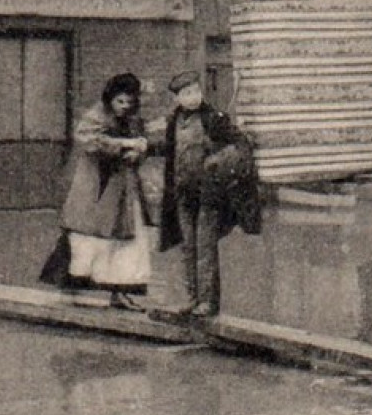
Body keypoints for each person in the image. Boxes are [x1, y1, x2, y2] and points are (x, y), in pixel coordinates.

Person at [44, 73, 155, 309]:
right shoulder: (96, 115)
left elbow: (142, 144)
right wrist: (123, 144)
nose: (124, 107)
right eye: (120, 101)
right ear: (110, 99)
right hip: (95, 190)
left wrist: (138, 152)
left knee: (127, 243)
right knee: (85, 238)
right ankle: (72, 290)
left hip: (124, 190)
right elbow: (86, 139)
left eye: (129, 102)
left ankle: (121, 293)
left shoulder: (134, 121)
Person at [157, 70, 261, 318]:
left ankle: (208, 302)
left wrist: (217, 159)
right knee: (188, 248)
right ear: (177, 98)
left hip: (209, 194)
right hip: (183, 194)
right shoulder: (174, 121)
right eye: (186, 93)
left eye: (195, 91)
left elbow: (241, 144)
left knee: (205, 249)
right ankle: (191, 299)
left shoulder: (213, 118)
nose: (193, 97)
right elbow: (170, 151)